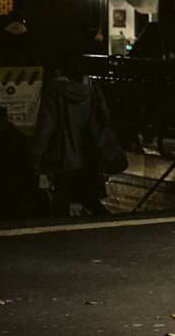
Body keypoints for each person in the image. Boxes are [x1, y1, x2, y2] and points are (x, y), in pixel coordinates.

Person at [30, 50, 119, 217]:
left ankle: (61, 234)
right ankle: (106, 219)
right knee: (87, 196)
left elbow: (46, 126)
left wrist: (36, 155)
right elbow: (105, 116)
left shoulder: (53, 88)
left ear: (58, 68)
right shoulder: (91, 85)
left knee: (60, 198)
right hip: (89, 151)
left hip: (63, 154)